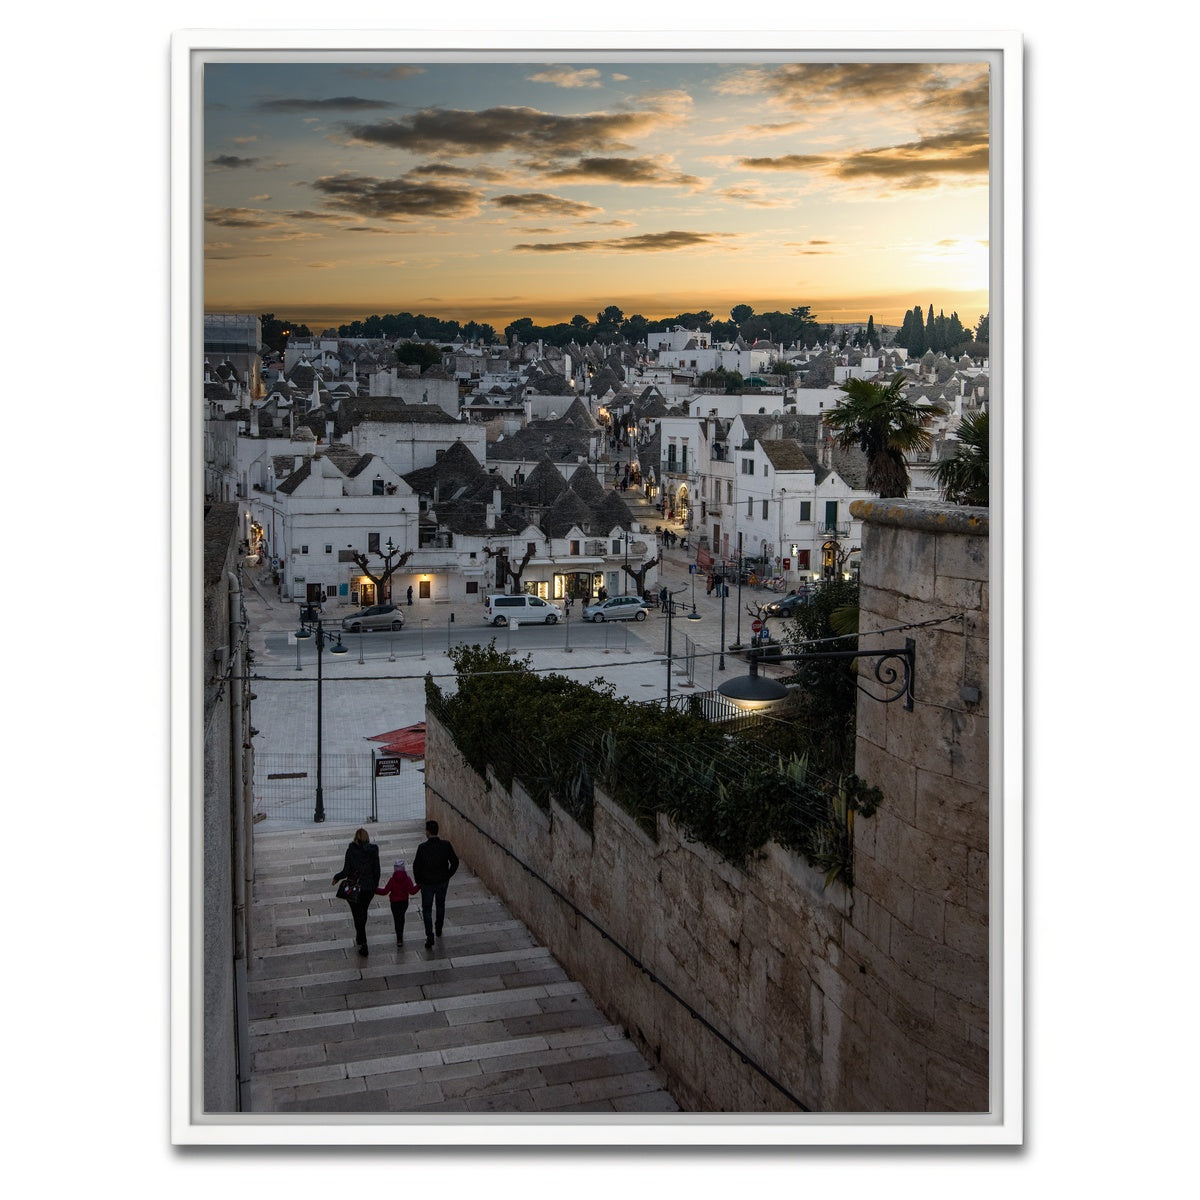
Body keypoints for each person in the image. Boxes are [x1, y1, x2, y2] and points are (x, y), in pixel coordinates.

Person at [332, 828, 381, 957]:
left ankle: (362, 941)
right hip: (368, 888)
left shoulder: (351, 851)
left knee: (357, 915)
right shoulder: (373, 850)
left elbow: (346, 871)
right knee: (363, 912)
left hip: (355, 889)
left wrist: (337, 877)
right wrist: (374, 885)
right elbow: (377, 871)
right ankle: (360, 937)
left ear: (356, 838)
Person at [412, 819, 459, 949]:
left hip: (427, 883)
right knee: (440, 905)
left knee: (426, 909)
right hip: (442, 882)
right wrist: (448, 875)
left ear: (427, 832)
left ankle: (429, 935)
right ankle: (438, 929)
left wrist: (419, 881)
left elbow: (416, 866)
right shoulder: (446, 845)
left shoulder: (422, 848)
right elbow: (455, 862)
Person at [376, 858, 420, 946]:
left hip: (394, 903)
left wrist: (374, 890)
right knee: (401, 917)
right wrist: (420, 885)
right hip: (404, 902)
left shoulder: (392, 880)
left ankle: (399, 937)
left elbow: (385, 891)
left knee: (396, 919)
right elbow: (412, 891)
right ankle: (401, 934)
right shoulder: (407, 879)